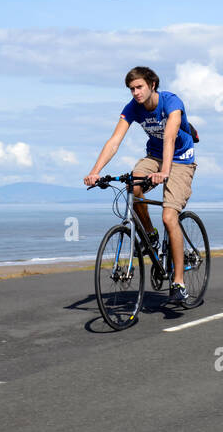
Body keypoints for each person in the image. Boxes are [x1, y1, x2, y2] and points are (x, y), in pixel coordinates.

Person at [84, 65, 197, 304]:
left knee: (169, 217)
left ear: (152, 85)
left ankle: (178, 283)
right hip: (154, 157)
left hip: (181, 160)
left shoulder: (171, 103)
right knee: (133, 185)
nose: (135, 92)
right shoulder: (132, 108)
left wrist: (166, 171)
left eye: (139, 87)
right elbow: (114, 141)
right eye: (131, 89)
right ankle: (150, 234)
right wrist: (95, 172)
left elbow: (169, 137)